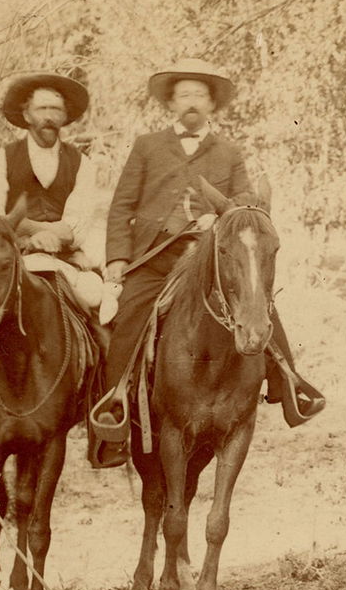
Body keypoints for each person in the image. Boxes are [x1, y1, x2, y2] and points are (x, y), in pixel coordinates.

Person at [88, 58, 322, 468]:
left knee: (259, 304)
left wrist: (221, 218)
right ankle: (115, 415)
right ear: (171, 103)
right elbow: (122, 205)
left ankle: (290, 386)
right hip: (154, 259)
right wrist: (118, 260)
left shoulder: (228, 152)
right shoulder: (146, 146)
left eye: (200, 95)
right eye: (184, 95)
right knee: (128, 320)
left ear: (212, 105)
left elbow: (246, 205)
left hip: (209, 260)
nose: (192, 102)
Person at [0, 72, 109, 443]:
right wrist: (29, 234)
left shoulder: (82, 164)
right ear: (26, 115)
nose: (49, 117)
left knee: (101, 311)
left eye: (56, 110)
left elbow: (77, 222)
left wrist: (50, 234)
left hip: (63, 261)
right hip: (10, 261)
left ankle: (101, 413)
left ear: (65, 117)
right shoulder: (2, 159)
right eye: (42, 109)